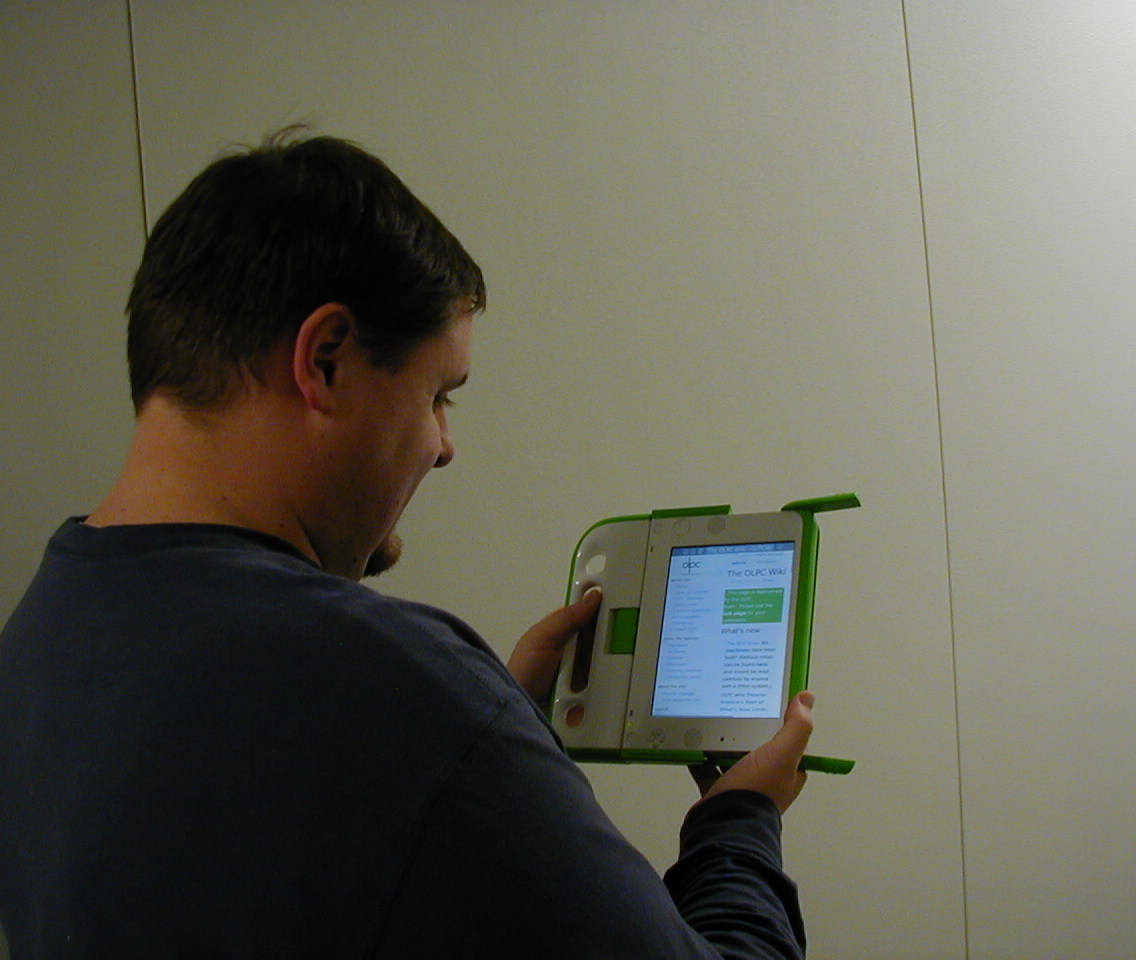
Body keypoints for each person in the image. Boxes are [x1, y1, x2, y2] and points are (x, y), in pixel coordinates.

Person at [0, 130, 817, 959]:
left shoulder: (40, 635)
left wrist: (494, 732)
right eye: (438, 395)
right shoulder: (397, 694)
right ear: (324, 361)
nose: (444, 445)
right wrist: (737, 823)